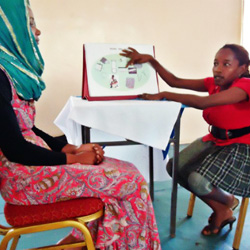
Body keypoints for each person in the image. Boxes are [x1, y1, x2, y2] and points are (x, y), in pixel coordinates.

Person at [0, 1, 161, 249]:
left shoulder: (11, 73)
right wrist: (73, 160)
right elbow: (14, 147)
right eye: (30, 24)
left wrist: (68, 148)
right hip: (23, 179)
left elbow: (26, 127)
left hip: (33, 165)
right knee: (130, 181)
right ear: (10, 29)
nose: (38, 32)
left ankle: (89, 243)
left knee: (126, 171)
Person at [121, 44, 250, 236]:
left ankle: (225, 206)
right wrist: (152, 61)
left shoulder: (245, 85)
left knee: (197, 180)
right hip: (215, 138)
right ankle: (225, 204)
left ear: (243, 68)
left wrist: (164, 95)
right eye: (215, 63)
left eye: (226, 64)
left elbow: (202, 103)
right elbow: (175, 81)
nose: (218, 69)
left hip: (241, 145)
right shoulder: (213, 83)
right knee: (174, 166)